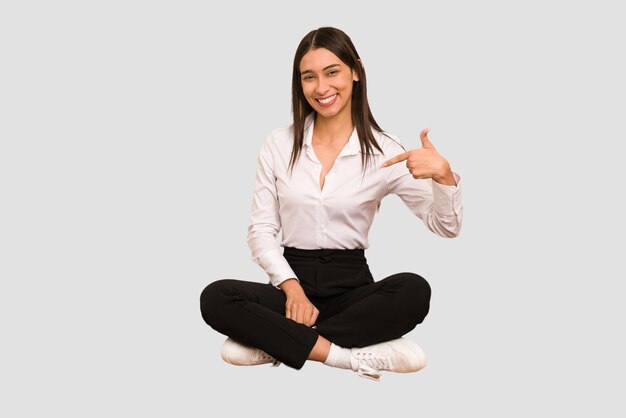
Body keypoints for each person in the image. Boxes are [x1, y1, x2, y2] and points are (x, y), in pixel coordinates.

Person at [200, 26, 463, 381]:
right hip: (291, 282)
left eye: (332, 72)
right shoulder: (279, 143)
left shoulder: (386, 150)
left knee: (414, 290)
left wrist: (443, 177)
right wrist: (291, 289)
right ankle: (347, 357)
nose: (321, 88)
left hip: (351, 289)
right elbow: (261, 229)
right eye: (309, 77)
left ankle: (274, 342)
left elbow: (446, 226)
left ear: (356, 71)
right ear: (300, 83)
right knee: (215, 297)